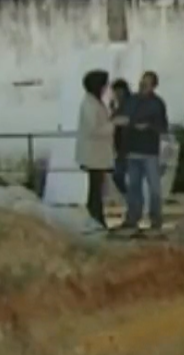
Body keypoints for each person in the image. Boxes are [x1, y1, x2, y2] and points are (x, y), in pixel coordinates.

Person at [118, 70, 169, 236]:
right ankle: (133, 217)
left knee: (154, 188)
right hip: (132, 149)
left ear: (153, 86)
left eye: (146, 83)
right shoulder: (131, 101)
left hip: (149, 151)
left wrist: (149, 127)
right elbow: (121, 117)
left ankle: (155, 218)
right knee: (133, 187)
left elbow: (163, 127)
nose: (142, 86)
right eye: (142, 82)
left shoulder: (158, 104)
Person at [75, 68, 118, 232]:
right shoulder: (89, 104)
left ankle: (98, 218)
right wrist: (114, 125)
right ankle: (95, 219)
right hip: (93, 154)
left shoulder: (95, 102)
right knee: (95, 189)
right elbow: (94, 129)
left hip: (97, 153)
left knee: (97, 189)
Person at [108, 78, 132, 197]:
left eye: (118, 92)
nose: (116, 95)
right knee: (118, 175)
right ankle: (130, 196)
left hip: (130, 146)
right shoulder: (119, 106)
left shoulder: (131, 104)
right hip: (121, 147)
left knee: (120, 174)